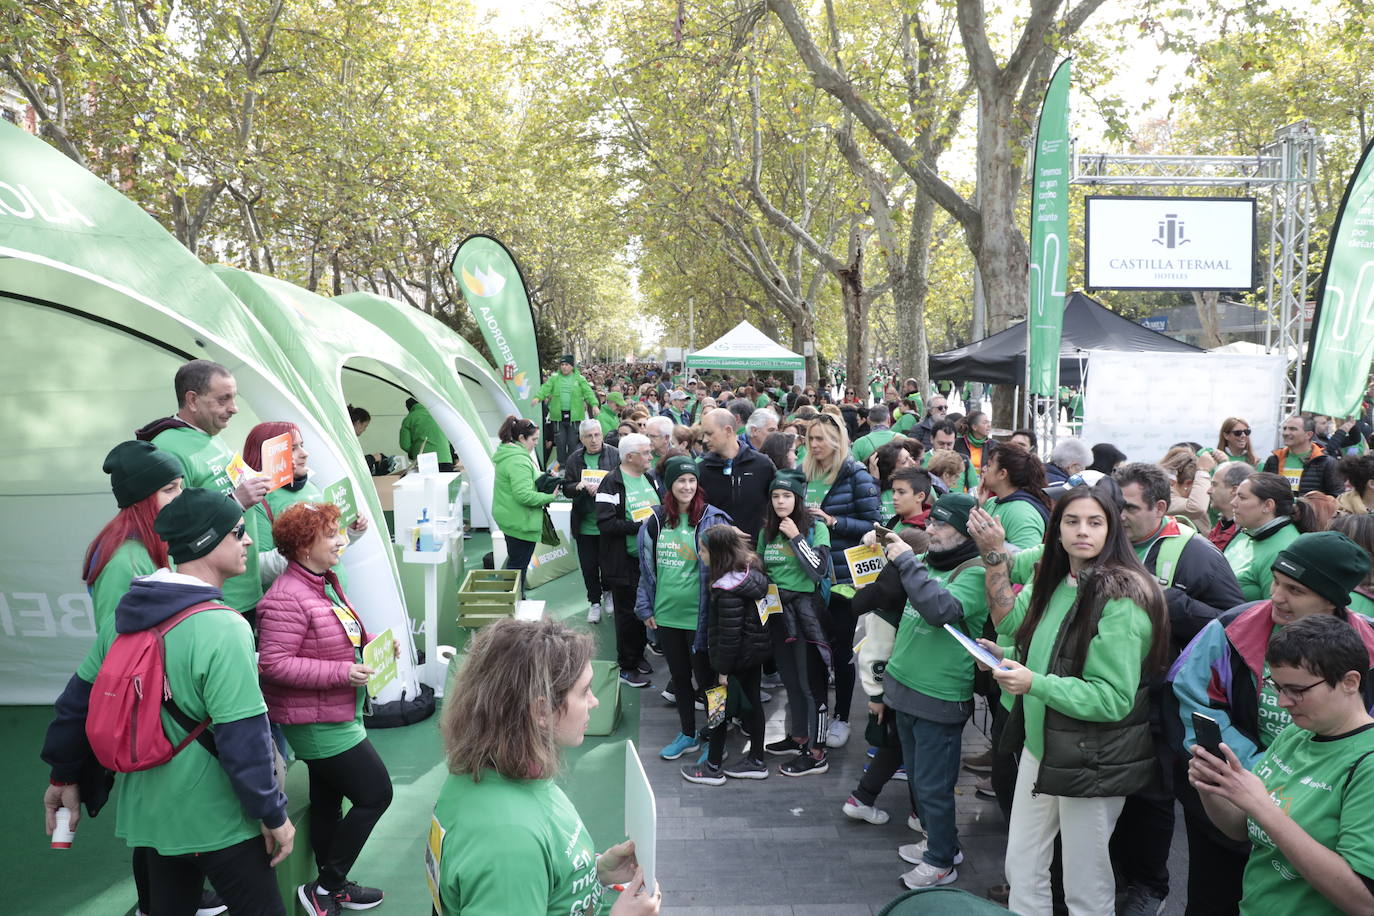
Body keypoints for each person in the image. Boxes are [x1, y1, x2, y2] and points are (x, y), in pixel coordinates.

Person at [42, 488, 294, 915]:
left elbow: (75, 705)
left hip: (149, 817)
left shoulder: (127, 618)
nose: (249, 539)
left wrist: (62, 777)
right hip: (216, 819)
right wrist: (273, 815)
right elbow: (243, 739)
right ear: (206, 543)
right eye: (237, 532)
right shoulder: (225, 629)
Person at [977, 484, 1170, 916]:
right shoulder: (1059, 581)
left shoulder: (1122, 595)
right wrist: (1006, 657)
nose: (1083, 531)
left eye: (1094, 522)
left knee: (1086, 884)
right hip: (1042, 747)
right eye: (1072, 521)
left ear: (1111, 529)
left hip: (1092, 757)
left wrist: (1033, 684)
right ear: (1057, 530)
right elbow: (1051, 654)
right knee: (1022, 868)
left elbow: (1113, 699)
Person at [1169, 529, 1374, 914]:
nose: (1276, 596)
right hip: (1251, 786)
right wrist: (1225, 777)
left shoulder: (1367, 645)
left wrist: (1261, 798)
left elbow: (1363, 899)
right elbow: (1191, 699)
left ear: (1331, 602)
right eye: (1276, 582)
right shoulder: (1234, 629)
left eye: (1295, 590)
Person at [432, 618, 660, 915]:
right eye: (584, 691)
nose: (594, 702)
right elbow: (515, 869)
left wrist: (596, 872)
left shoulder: (505, 772)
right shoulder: (508, 842)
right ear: (541, 710)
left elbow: (538, 880)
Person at [1109, 462, 1245, 913]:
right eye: (1116, 506)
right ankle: (1122, 877)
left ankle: (1149, 889)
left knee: (1152, 798)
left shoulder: (1197, 554)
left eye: (1128, 507)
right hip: (1110, 698)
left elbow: (1235, 624)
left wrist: (1170, 602)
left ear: (1160, 507)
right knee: (1119, 795)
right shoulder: (1107, 542)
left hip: (1162, 706)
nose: (1119, 515)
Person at [256, 503, 389, 915]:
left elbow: (334, 641)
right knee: (376, 794)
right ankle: (325, 887)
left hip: (333, 712)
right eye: (329, 535)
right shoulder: (288, 596)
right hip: (318, 721)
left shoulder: (319, 582)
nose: (340, 540)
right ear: (302, 546)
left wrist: (374, 653)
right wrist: (341, 674)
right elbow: (273, 664)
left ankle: (336, 885)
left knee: (329, 799)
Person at [880, 494, 990, 888]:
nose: (930, 529)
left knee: (934, 785)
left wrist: (907, 561)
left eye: (940, 525)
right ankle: (940, 841)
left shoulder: (975, 573)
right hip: (906, 688)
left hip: (939, 696)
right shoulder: (930, 561)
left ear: (964, 531)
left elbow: (939, 610)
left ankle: (941, 860)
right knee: (918, 781)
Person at [134, 358, 271, 615]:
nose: (234, 408)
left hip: (245, 590)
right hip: (215, 600)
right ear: (193, 400)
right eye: (223, 399)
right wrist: (238, 501)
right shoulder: (169, 447)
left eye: (234, 398)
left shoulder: (209, 435)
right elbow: (169, 524)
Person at [634, 455, 732, 763]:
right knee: (680, 679)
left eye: (692, 480)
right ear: (669, 485)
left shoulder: (714, 520)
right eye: (680, 481)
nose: (687, 486)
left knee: (710, 685)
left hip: (701, 619)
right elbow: (646, 569)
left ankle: (716, 740)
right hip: (667, 617)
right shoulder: (655, 521)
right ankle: (688, 733)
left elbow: (730, 570)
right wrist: (645, 605)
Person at [802, 412, 882, 749]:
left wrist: (833, 521)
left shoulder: (855, 474)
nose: (815, 444)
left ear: (837, 440)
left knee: (840, 651)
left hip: (842, 579)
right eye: (811, 438)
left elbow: (874, 526)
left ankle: (842, 717)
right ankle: (815, 717)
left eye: (821, 438)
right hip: (806, 575)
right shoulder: (804, 473)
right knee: (812, 650)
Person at [682, 525, 773, 785]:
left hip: (732, 661)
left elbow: (729, 634)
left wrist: (722, 670)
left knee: (717, 710)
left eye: (703, 549)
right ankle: (756, 760)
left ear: (718, 552)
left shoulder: (727, 589)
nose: (700, 554)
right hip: (752, 655)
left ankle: (712, 767)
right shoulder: (751, 572)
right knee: (754, 705)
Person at [758, 468, 834, 775]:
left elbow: (818, 570)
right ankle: (798, 735)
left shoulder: (816, 527)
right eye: (775, 496)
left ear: (798, 499)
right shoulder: (767, 531)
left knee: (810, 683)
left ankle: (817, 751)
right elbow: (762, 567)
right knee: (789, 680)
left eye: (787, 496)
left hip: (806, 612)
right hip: (777, 610)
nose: (780, 501)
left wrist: (796, 537)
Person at [242, 422, 370, 589]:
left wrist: (352, 531)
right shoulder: (258, 498)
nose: (305, 454)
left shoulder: (311, 486)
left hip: (333, 597)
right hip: (296, 603)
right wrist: (307, 549)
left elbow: (332, 544)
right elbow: (257, 567)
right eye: (292, 449)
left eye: (302, 445)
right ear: (268, 454)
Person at [83, 441, 185, 645]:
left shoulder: (162, 540)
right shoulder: (122, 563)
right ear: (141, 499)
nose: (181, 495)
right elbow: (113, 642)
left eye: (181, 486)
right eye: (170, 489)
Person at [597, 433, 661, 688]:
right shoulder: (611, 483)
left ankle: (638, 654)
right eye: (646, 453)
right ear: (630, 456)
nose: (650, 456)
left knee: (642, 611)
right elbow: (606, 522)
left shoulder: (648, 477)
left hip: (647, 561)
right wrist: (640, 527)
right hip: (623, 562)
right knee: (627, 614)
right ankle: (626, 666)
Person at [490, 415, 560, 593]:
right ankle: (512, 604)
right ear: (521, 438)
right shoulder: (518, 460)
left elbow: (526, 482)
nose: (537, 443)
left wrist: (543, 477)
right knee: (518, 566)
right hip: (520, 520)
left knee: (516, 563)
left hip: (511, 518)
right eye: (534, 439)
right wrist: (549, 497)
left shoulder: (512, 455)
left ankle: (512, 602)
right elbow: (523, 495)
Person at [1225, 471, 1317, 602]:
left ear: (1268, 505)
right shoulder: (1248, 530)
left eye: (1242, 497)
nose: (1233, 503)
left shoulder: (1285, 550)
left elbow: (1276, 611)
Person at [563, 419, 620, 624]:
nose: (594, 440)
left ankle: (608, 593)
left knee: (608, 565)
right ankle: (594, 602)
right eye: (589, 436)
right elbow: (566, 487)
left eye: (597, 435)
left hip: (608, 523)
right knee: (588, 566)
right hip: (584, 523)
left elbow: (622, 482)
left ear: (602, 434)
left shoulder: (614, 454)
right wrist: (577, 486)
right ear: (581, 439)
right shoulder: (574, 459)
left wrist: (605, 486)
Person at [696, 408, 776, 542]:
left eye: (709, 434)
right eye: (704, 434)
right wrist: (722, 529)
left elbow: (778, 504)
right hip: (718, 552)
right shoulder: (702, 470)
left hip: (757, 553)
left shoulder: (763, 465)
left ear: (728, 430)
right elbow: (695, 513)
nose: (705, 440)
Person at [980, 443, 1051, 550]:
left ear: (1002, 474)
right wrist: (979, 504)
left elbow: (1027, 562)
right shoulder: (992, 502)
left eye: (989, 465)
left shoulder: (1022, 513)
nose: (984, 469)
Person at [534, 355, 600, 466]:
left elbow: (588, 393)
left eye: (567, 365)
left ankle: (572, 464)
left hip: (575, 417)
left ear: (572, 366)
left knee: (572, 443)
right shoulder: (554, 378)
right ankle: (562, 465)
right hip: (558, 416)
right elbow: (545, 389)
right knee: (560, 442)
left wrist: (594, 405)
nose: (564, 367)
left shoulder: (579, 379)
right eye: (562, 365)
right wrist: (538, 397)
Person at [1263, 414, 1341, 496]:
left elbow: (1337, 496)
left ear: (1308, 435)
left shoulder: (1326, 462)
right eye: (1285, 428)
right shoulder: (1273, 460)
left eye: (1293, 429)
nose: (1285, 433)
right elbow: (1263, 491)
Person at [1208, 460, 1256, 552]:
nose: (1208, 491)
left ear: (1234, 490)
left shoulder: (1246, 536)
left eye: (1214, 485)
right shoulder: (1223, 525)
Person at [398, 397, 454, 471]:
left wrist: (414, 450)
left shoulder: (409, 418)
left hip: (424, 461)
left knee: (428, 482)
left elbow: (405, 444)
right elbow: (451, 438)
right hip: (445, 459)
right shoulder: (438, 413)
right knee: (445, 482)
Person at [346, 405, 392, 476]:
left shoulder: (348, 438)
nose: (364, 429)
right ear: (358, 423)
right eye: (365, 426)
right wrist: (372, 458)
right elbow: (353, 463)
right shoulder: (347, 440)